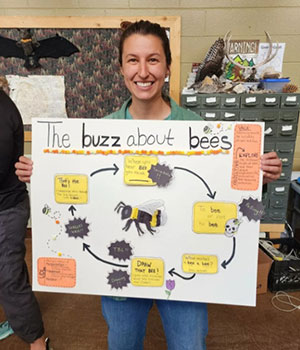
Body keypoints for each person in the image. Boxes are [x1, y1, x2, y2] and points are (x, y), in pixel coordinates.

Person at [15, 20, 282, 350]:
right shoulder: (98, 133)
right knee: (123, 343)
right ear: (121, 67)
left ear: (167, 66)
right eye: (133, 60)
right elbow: (82, 190)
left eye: (153, 59)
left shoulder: (197, 129)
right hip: (121, 274)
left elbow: (227, 195)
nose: (143, 71)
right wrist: (40, 173)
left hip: (185, 270)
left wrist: (258, 176)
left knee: (189, 344)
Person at [0, 77, 50, 350]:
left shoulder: (4, 111)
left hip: (8, 207)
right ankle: (14, 317)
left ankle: (37, 341)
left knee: (8, 276)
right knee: (11, 269)